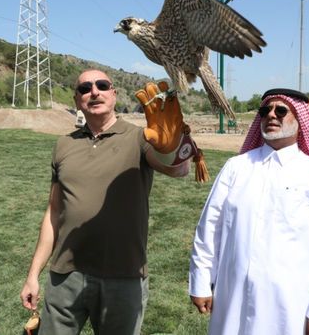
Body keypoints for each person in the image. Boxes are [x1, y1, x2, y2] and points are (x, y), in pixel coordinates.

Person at [20, 69, 191, 335]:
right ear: (77, 100)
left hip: (123, 275)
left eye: (101, 85)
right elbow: (54, 212)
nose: (94, 92)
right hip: (66, 273)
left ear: (113, 93)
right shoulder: (64, 145)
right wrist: (33, 275)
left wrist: (175, 144)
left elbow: (178, 170)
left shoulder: (140, 138)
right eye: (85, 88)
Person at [189, 88, 309, 335]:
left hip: (290, 307)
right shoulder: (236, 167)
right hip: (233, 299)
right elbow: (210, 227)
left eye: (281, 110)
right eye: (265, 110)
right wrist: (201, 281)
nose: (271, 115)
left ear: (300, 121)